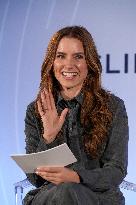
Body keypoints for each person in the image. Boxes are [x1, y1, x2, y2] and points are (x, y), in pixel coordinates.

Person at [23, 26, 129, 205]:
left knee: (69, 189)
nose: (69, 65)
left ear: (90, 62)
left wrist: (76, 176)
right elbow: (35, 179)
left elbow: (116, 170)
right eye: (61, 56)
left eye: (78, 56)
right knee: (64, 191)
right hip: (50, 197)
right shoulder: (36, 110)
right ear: (52, 62)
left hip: (97, 197)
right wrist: (49, 137)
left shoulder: (113, 107)